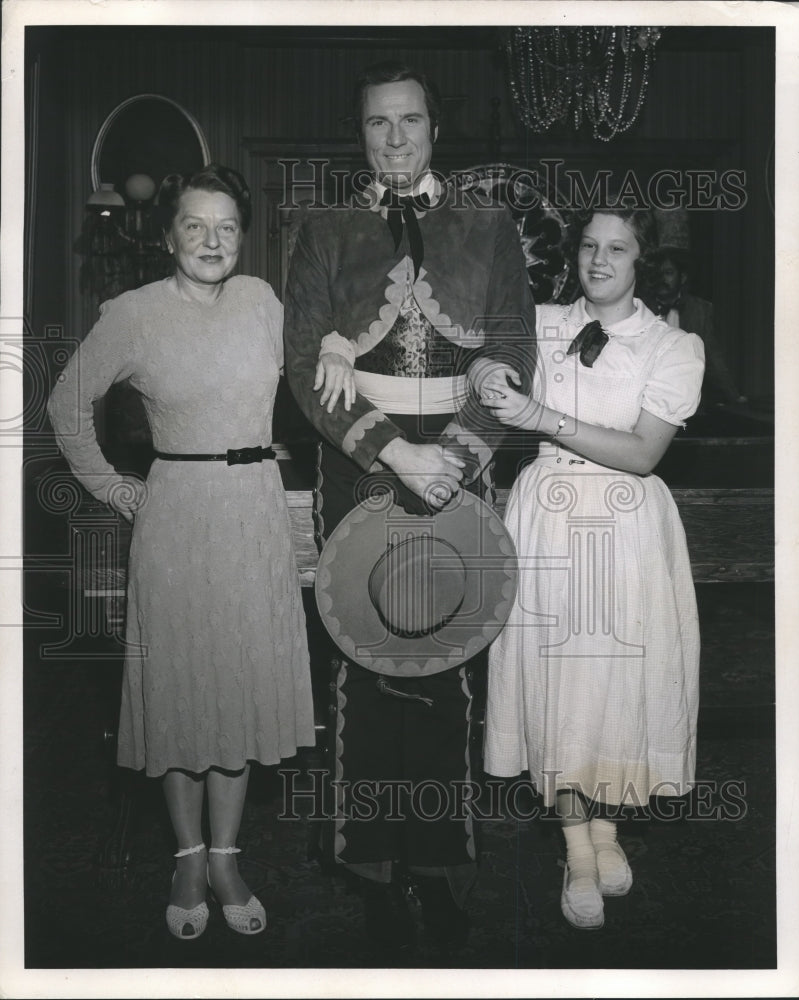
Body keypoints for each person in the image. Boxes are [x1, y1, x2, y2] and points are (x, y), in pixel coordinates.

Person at [283, 60, 535, 954]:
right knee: (367, 669)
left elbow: (510, 346)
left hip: (459, 473)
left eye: (409, 122)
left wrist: (457, 455)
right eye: (376, 124)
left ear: (435, 130)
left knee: (447, 670)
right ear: (361, 134)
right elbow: (302, 370)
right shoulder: (321, 230)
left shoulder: (489, 226)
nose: (394, 138)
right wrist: (394, 452)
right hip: (362, 472)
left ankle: (441, 869)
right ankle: (375, 872)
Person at [48, 164, 317, 941]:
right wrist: (109, 484)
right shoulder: (132, 314)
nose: (212, 240)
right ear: (168, 236)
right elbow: (66, 403)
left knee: (234, 692)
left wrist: (333, 348)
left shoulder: (263, 301)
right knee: (180, 694)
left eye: (227, 226)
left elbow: (309, 365)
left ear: (243, 236)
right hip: (176, 517)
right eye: (195, 225)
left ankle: (229, 856)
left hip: (256, 511)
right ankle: (188, 856)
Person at [481, 208, 705, 930]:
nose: (599, 260)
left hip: (626, 518)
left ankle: (606, 832)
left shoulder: (673, 346)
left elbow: (642, 453)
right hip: (547, 513)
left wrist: (538, 415)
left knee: (615, 682)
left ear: (641, 259)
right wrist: (487, 370)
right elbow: (484, 348)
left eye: (617, 248)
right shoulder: (539, 321)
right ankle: (577, 851)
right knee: (561, 683)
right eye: (588, 245)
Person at [654, 247, 747, 407]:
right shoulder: (639, 307)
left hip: (689, 402)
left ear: (682, 278)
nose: (662, 279)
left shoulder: (700, 310)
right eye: (658, 274)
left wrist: (734, 396)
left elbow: (713, 358)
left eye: (668, 273)